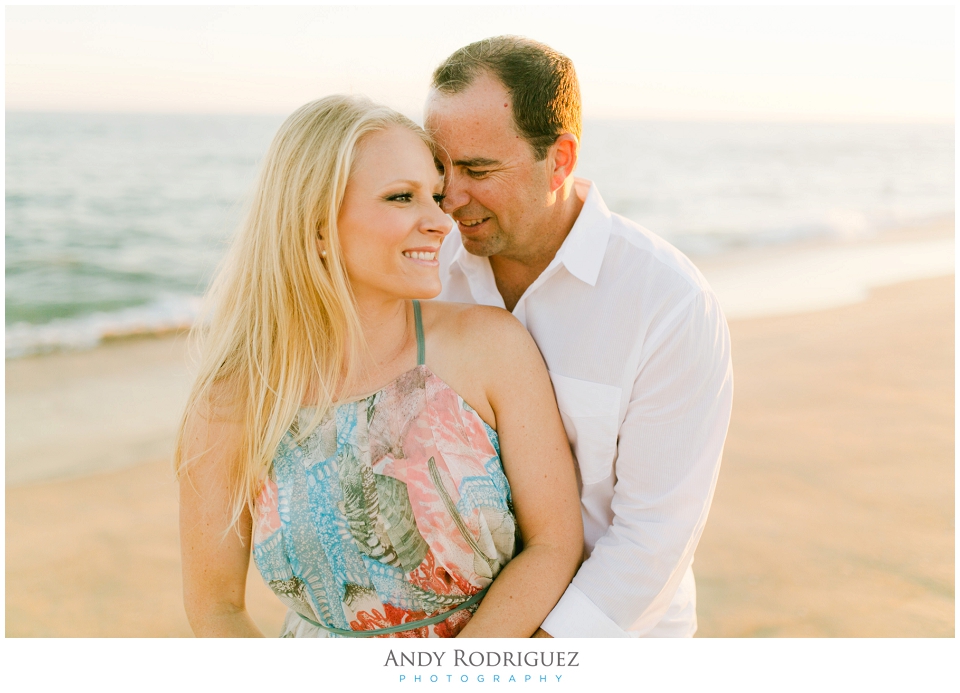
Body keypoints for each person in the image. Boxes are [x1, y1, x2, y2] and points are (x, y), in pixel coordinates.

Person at [175, 95, 582, 638]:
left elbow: (554, 546)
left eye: (434, 197)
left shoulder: (490, 348)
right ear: (316, 227)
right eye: (401, 198)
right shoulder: (233, 400)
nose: (441, 221)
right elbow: (216, 608)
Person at [425, 36, 734, 637]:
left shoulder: (668, 303)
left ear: (560, 160)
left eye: (478, 170)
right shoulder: (422, 274)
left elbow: (652, 540)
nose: (449, 196)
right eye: (439, 167)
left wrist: (516, 664)